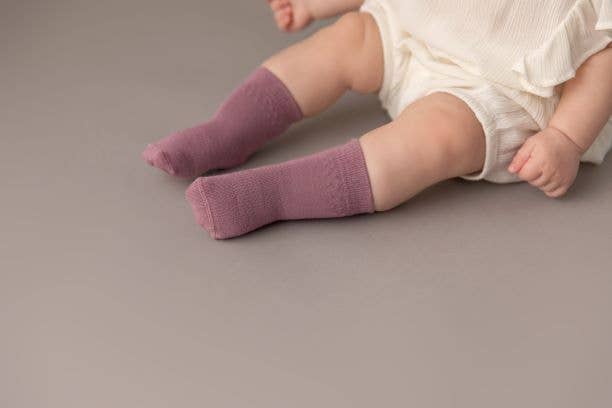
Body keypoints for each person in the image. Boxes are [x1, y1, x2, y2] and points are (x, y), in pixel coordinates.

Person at [142, 0, 612, 239]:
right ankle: (228, 130)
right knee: (347, 37)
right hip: (409, 31)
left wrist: (565, 137)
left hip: (497, 88)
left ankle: (276, 193)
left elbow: (603, 56)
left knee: (438, 135)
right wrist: (317, 6)